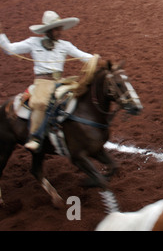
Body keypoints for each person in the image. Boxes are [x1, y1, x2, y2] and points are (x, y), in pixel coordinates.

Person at [0, 11, 94, 152]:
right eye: (56, 29)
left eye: (60, 28)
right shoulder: (33, 42)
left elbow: (82, 55)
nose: (59, 32)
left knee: (79, 96)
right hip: (42, 82)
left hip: (59, 80)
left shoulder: (65, 45)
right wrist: (1, 35)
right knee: (41, 103)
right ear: (48, 30)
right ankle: (35, 136)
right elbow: (10, 49)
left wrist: (96, 59)